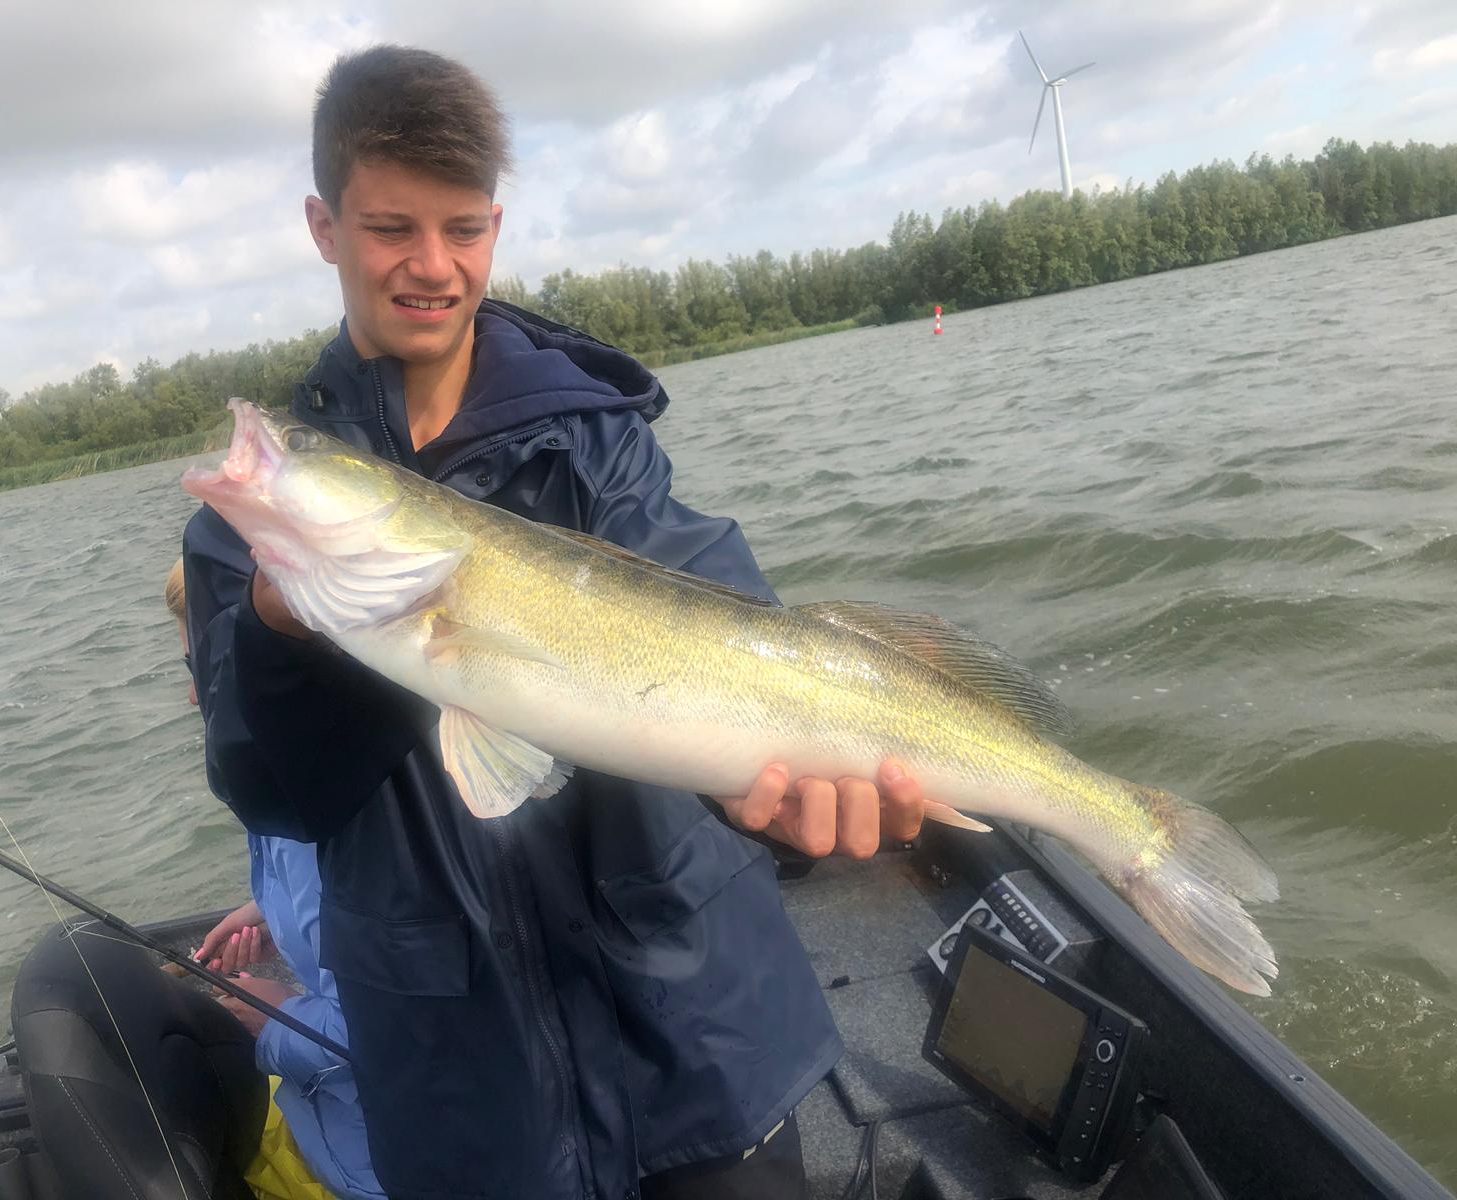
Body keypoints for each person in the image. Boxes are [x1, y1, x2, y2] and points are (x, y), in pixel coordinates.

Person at [181, 46, 934, 1200]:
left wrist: (775, 803)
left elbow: (732, 641)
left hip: (697, 1037)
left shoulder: (597, 439)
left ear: (494, 227)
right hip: (470, 1095)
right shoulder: (249, 538)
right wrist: (284, 637)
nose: (432, 265)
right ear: (325, 228)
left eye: (462, 229)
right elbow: (274, 796)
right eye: (390, 229)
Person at [167, 561, 385, 1200]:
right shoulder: (299, 779)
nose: (192, 697)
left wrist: (276, 1016)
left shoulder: (330, 819)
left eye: (200, 668)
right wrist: (269, 905)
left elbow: (393, 1037)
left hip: (379, 1169)